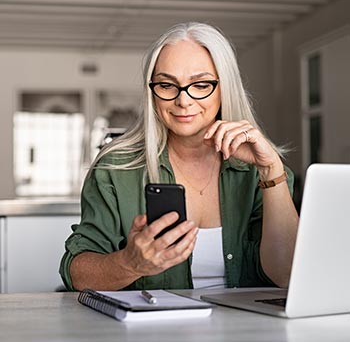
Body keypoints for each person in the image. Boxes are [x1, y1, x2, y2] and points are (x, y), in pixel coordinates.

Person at [60, 22, 299, 292]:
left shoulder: (262, 171)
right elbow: (76, 273)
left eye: (200, 85)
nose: (183, 101)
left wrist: (271, 171)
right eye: (166, 85)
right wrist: (130, 263)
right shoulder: (115, 168)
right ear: (152, 92)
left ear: (224, 88)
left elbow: (287, 274)